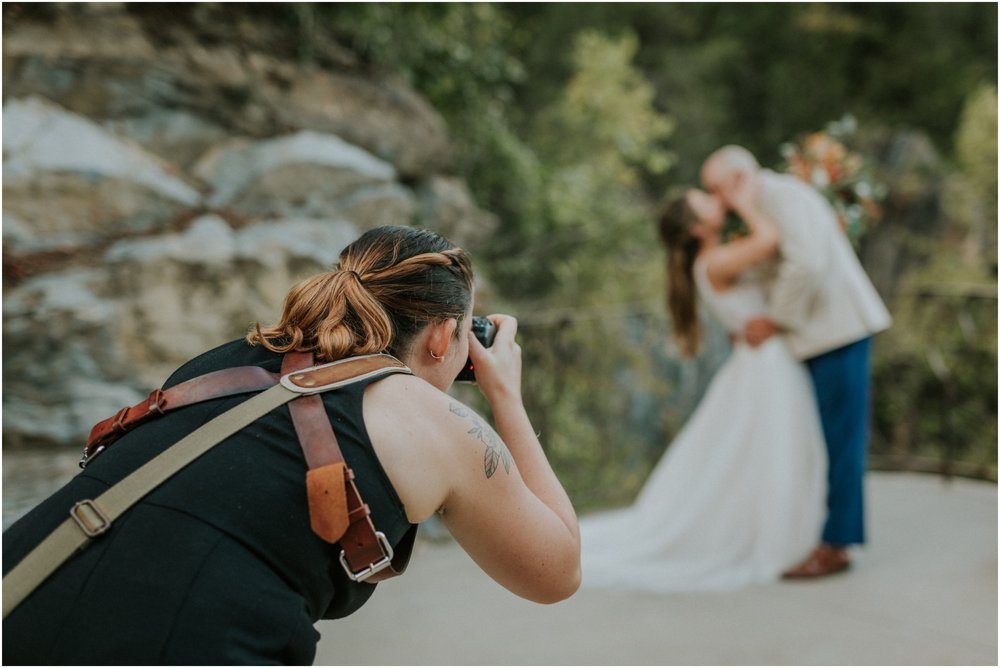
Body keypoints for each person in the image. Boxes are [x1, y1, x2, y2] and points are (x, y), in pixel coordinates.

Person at [2, 225, 581, 664]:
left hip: (20, 590)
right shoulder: (437, 421)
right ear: (442, 338)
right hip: (185, 642)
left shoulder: (219, 364)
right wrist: (506, 394)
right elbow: (557, 571)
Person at [579, 184, 828, 593]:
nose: (717, 200)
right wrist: (747, 204)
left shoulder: (710, 262)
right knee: (771, 451)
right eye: (706, 202)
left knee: (759, 454)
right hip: (765, 366)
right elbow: (770, 239)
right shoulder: (715, 261)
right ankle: (776, 537)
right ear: (698, 229)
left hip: (759, 361)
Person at [700, 145, 892, 578]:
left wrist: (775, 319)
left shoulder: (784, 196)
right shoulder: (763, 206)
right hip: (815, 337)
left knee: (842, 442)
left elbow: (806, 262)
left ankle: (837, 545)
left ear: (737, 180)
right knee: (823, 441)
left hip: (837, 332)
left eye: (715, 188)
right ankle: (823, 532)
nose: (715, 198)